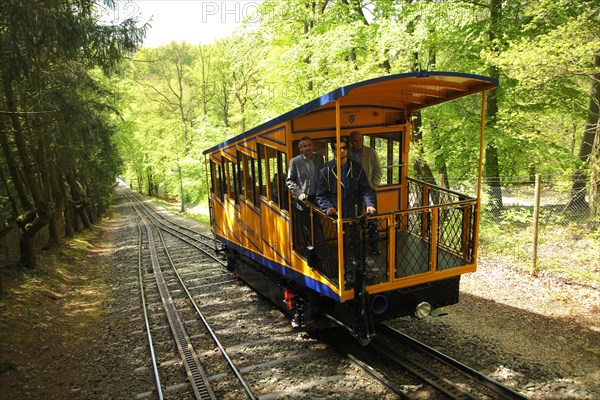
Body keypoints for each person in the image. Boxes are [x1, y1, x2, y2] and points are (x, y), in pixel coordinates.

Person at [316, 137, 376, 219]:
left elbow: (365, 189)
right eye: (339, 149)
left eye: (344, 148)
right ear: (333, 151)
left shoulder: (357, 167)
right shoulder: (326, 171)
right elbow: (321, 195)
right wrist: (328, 208)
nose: (342, 151)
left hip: (355, 213)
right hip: (337, 215)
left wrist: (369, 204)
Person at [349, 130, 382, 254]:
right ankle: (356, 246)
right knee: (354, 218)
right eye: (355, 141)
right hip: (353, 191)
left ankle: (374, 245)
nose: (358, 143)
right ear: (351, 142)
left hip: (369, 190)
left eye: (360, 140)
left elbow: (378, 170)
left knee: (372, 218)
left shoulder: (370, 152)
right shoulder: (348, 154)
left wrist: (373, 186)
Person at [286, 136, 325, 204]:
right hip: (303, 199)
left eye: (309, 145)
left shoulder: (319, 158)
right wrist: (299, 193)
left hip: (318, 197)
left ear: (313, 146)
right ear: (300, 148)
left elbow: (322, 176)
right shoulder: (295, 161)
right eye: (304, 146)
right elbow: (289, 180)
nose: (308, 148)